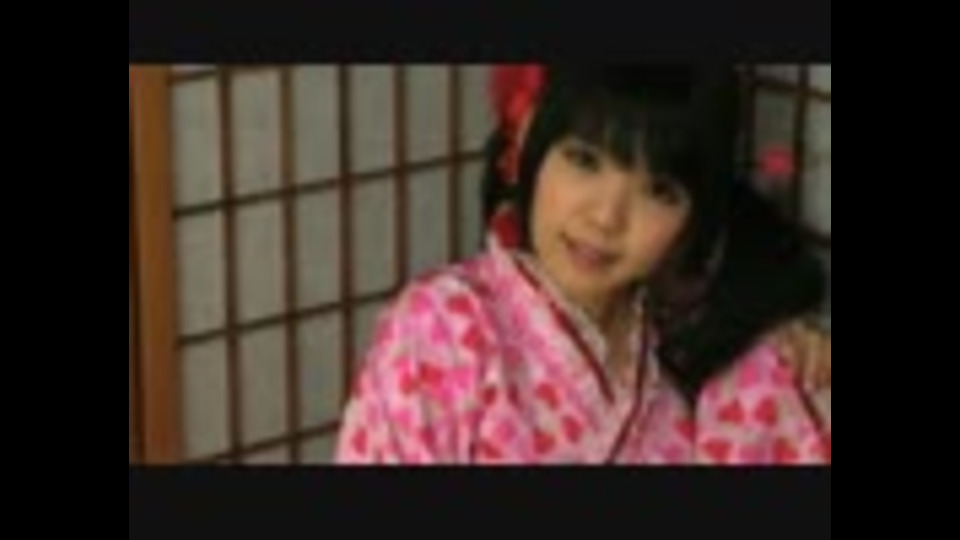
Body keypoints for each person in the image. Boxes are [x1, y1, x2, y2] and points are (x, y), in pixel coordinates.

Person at [336, 65, 831, 464]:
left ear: (692, 219)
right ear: (529, 145)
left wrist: (791, 359)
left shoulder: (699, 354)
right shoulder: (442, 326)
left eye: (659, 191)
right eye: (585, 160)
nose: (606, 218)